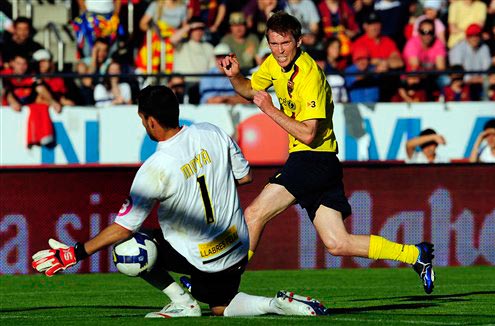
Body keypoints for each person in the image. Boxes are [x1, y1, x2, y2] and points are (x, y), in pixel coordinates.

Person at [31, 85, 327, 318]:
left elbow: (123, 228)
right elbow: (245, 177)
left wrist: (76, 253)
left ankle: (182, 302)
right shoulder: (212, 131)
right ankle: (273, 304)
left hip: (203, 260)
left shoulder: (155, 168)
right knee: (221, 308)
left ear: (149, 121)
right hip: (237, 249)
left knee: (128, 250)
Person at [218, 11, 435, 295]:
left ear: (298, 41)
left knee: (254, 214)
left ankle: (218, 284)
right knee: (337, 243)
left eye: (285, 43)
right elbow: (250, 89)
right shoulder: (273, 63)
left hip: (313, 158)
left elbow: (308, 134)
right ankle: (413, 255)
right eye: (274, 44)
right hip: (321, 162)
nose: (280, 51)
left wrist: (269, 110)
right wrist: (235, 77)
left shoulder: (309, 75)